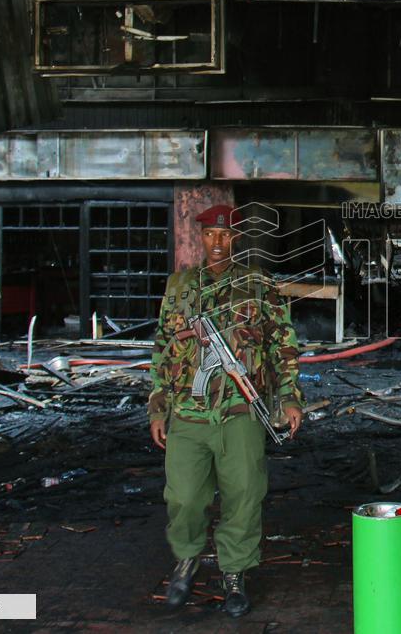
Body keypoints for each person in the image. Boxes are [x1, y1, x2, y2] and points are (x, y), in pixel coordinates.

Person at [148, 204, 304, 617]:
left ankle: (234, 573)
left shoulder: (257, 284)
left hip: (239, 412)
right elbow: (163, 348)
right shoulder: (179, 287)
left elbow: (281, 346)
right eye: (210, 235)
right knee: (182, 498)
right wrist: (158, 406)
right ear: (201, 237)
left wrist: (288, 397)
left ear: (235, 238)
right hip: (188, 411)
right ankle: (186, 560)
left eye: (225, 236)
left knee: (245, 497)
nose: (217, 243)